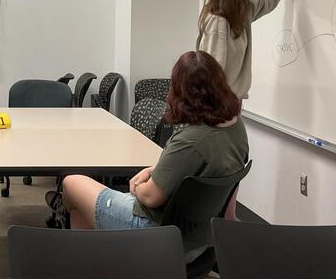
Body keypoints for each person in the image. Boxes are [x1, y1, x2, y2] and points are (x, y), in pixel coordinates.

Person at [61, 51, 247, 230]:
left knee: (71, 183)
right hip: (202, 231)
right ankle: (98, 251)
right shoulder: (236, 128)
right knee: (81, 205)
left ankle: (97, 252)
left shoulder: (189, 142)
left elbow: (150, 197)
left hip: (157, 231)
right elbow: (191, 170)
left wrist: (136, 186)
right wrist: (152, 171)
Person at [197, 0, 293, 101]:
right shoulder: (218, 22)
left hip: (229, 105)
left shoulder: (242, 11)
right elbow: (210, 75)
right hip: (217, 109)